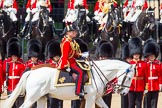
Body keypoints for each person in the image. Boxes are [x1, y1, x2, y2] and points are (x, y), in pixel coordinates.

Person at [57, 23, 86, 100]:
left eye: (75, 31)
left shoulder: (72, 41)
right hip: (68, 62)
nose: (75, 33)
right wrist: (67, 67)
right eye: (72, 32)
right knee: (80, 72)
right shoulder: (66, 42)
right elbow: (65, 56)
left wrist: (81, 55)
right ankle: (78, 91)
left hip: (73, 61)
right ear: (67, 33)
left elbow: (73, 54)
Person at [2, 40, 25, 108]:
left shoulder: (21, 65)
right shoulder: (8, 64)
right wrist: (4, 85)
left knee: (19, 104)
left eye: (16, 56)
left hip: (18, 88)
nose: (14, 57)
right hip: (9, 87)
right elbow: (3, 74)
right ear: (11, 56)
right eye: (13, 56)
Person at [127, 37, 147, 108]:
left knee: (139, 105)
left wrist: (146, 87)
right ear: (132, 54)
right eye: (135, 54)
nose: (136, 55)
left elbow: (146, 76)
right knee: (131, 105)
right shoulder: (129, 64)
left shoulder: (144, 63)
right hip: (131, 87)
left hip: (140, 87)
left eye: (137, 54)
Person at [143, 40, 162, 108]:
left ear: (155, 55)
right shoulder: (145, 64)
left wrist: (160, 84)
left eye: (153, 55)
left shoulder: (158, 64)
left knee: (154, 103)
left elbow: (160, 75)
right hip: (147, 86)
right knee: (146, 103)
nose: (151, 57)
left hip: (155, 85)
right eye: (150, 56)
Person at [95, 40, 114, 108]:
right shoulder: (97, 65)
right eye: (101, 56)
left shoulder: (111, 65)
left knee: (107, 104)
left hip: (107, 88)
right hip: (98, 88)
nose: (102, 58)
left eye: (104, 56)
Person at [45, 39, 63, 108]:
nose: (57, 58)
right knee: (51, 104)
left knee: (60, 104)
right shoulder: (48, 63)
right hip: (51, 87)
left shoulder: (62, 63)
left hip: (60, 86)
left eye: (58, 56)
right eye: (55, 56)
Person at [120, 43, 131, 108]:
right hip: (124, 86)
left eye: (130, 58)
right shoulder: (122, 65)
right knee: (124, 104)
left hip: (132, 87)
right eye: (128, 58)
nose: (129, 59)